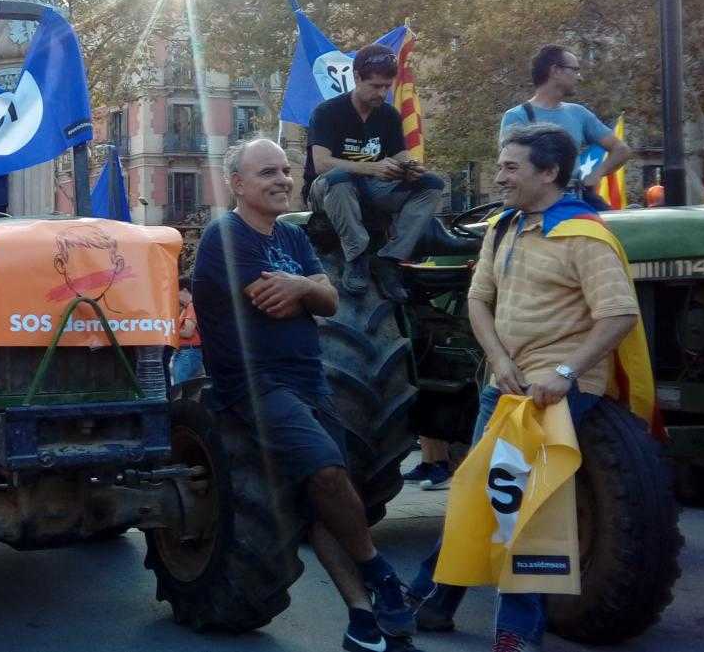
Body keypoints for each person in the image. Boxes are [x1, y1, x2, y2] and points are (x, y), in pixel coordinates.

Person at [408, 124, 640, 652]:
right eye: (501, 164)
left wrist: (564, 373)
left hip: (550, 395)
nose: (499, 175)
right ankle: (435, 602)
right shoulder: (502, 227)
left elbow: (619, 314)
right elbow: (476, 300)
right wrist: (497, 358)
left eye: (512, 167)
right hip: (504, 384)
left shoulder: (583, 234)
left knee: (515, 506)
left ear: (549, 172)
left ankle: (509, 630)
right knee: (478, 496)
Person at [194, 137, 422, 652]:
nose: (282, 180)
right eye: (267, 173)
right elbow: (269, 298)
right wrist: (306, 289)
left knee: (324, 498)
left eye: (284, 170)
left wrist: (303, 288)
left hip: (307, 378)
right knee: (326, 471)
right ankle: (380, 573)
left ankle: (362, 621)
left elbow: (328, 299)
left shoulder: (292, 238)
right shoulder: (225, 237)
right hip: (255, 383)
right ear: (238, 185)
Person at [306, 43, 445, 302]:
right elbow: (321, 164)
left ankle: (389, 258)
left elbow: (400, 155)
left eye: (387, 86)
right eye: (375, 86)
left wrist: (410, 168)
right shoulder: (327, 112)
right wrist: (372, 167)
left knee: (433, 184)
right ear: (357, 77)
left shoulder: (389, 116)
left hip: (372, 189)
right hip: (327, 192)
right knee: (339, 178)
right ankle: (356, 256)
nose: (382, 93)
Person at [499, 44, 632, 212]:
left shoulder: (579, 113)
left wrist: (598, 173)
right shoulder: (517, 116)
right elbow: (511, 168)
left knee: (612, 230)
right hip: (533, 205)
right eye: (575, 70)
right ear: (556, 71)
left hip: (574, 201)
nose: (580, 77)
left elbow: (621, 150)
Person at [169, 276, 203, 385]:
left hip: (188, 353)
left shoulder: (191, 306)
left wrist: (170, 330)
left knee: (180, 389)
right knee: (189, 390)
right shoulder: (187, 308)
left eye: (176, 293)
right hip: (187, 353)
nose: (175, 297)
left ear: (184, 290)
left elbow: (188, 332)